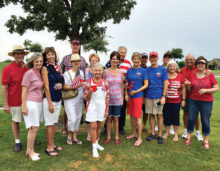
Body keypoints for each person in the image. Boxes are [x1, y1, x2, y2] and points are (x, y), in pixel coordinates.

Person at [184, 56, 218, 149]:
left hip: (206, 101)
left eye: (202, 63)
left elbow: (216, 88)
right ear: (196, 65)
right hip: (193, 100)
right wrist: (188, 85)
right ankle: (188, 137)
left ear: (205, 65)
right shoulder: (193, 74)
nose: (200, 65)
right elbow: (190, 89)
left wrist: (206, 90)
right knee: (191, 118)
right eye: (199, 63)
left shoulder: (209, 74)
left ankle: (206, 140)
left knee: (205, 120)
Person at [1, 45, 29, 152]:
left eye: (21, 53)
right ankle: (17, 142)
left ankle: (31, 137)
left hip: (28, 100)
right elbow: (4, 88)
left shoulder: (27, 68)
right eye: (17, 54)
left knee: (29, 120)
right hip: (14, 101)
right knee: (16, 121)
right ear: (13, 55)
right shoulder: (7, 69)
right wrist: (6, 104)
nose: (20, 55)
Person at [60, 39, 86, 136]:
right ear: (71, 45)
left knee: (77, 111)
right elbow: (61, 71)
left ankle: (74, 130)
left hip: (79, 91)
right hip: (68, 87)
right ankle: (64, 128)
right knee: (67, 110)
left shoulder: (83, 59)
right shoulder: (65, 58)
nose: (76, 47)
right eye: (74, 45)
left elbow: (83, 74)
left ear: (79, 46)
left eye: (77, 45)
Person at [104, 46, 132, 135]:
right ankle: (106, 129)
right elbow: (104, 80)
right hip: (109, 93)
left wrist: (125, 94)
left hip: (121, 91)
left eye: (124, 52)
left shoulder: (128, 64)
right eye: (121, 52)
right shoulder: (108, 65)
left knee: (120, 112)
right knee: (108, 113)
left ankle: (120, 128)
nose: (122, 54)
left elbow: (127, 79)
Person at [41, 48, 64, 156]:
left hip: (58, 98)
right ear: (45, 56)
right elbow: (46, 86)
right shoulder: (45, 68)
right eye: (48, 55)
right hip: (49, 99)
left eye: (52, 54)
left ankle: (52, 144)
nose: (51, 56)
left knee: (54, 123)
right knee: (49, 124)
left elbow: (61, 80)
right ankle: (49, 147)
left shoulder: (57, 66)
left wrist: (61, 85)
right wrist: (49, 102)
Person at [21, 53, 44, 161]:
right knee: (33, 128)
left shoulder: (40, 73)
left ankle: (30, 150)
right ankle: (30, 151)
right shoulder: (29, 73)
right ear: (33, 62)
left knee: (35, 127)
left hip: (38, 102)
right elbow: (24, 91)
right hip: (31, 102)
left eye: (40, 61)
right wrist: (24, 106)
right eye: (37, 61)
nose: (39, 63)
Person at [84, 63, 109, 158]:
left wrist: (107, 110)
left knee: (99, 126)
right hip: (92, 106)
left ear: (102, 71)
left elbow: (107, 97)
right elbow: (86, 98)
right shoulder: (88, 83)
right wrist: (89, 92)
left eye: (99, 70)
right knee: (93, 126)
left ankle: (97, 142)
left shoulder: (105, 83)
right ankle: (94, 148)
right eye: (96, 70)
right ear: (92, 71)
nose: (98, 72)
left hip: (102, 106)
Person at [125, 52, 148, 147]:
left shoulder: (143, 71)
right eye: (134, 59)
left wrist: (137, 91)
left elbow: (146, 84)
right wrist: (126, 94)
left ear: (140, 60)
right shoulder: (129, 70)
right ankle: (134, 133)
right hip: (130, 97)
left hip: (138, 96)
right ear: (132, 59)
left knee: (138, 117)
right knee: (131, 116)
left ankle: (139, 137)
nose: (136, 60)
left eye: (138, 59)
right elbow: (126, 83)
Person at [145, 51, 168, 144]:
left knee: (159, 115)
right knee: (151, 115)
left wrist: (163, 96)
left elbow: (165, 83)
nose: (153, 59)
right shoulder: (147, 70)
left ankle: (160, 135)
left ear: (157, 58)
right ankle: (153, 133)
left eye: (155, 57)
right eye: (151, 57)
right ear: (149, 59)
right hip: (149, 96)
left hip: (159, 96)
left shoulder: (162, 69)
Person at [180, 54, 203, 141]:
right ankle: (186, 130)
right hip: (185, 96)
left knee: (196, 115)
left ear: (194, 60)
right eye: (187, 59)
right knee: (186, 112)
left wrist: (190, 84)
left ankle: (197, 132)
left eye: (191, 59)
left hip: (196, 96)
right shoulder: (182, 70)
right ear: (185, 61)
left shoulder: (197, 69)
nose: (189, 61)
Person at [103, 51, 124, 145]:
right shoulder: (105, 71)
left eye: (117, 59)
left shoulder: (121, 72)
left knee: (116, 119)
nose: (115, 60)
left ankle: (116, 137)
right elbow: (103, 85)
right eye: (113, 59)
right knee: (108, 119)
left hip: (117, 99)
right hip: (107, 100)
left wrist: (122, 98)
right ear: (110, 60)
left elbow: (122, 86)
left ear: (119, 61)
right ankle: (108, 137)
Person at [63, 54, 84, 145]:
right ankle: (69, 135)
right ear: (71, 63)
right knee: (72, 118)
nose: (76, 63)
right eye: (74, 61)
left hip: (80, 97)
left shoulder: (82, 72)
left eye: (78, 61)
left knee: (78, 117)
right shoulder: (67, 73)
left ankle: (75, 136)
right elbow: (64, 86)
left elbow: (82, 84)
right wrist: (74, 86)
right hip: (70, 98)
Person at [163, 60, 186, 141]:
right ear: (167, 67)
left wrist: (183, 100)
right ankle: (166, 132)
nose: (172, 68)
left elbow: (183, 89)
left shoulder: (180, 76)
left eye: (173, 66)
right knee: (167, 117)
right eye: (170, 66)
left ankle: (176, 134)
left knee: (176, 118)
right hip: (166, 101)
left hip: (177, 101)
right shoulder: (165, 75)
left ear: (176, 67)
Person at [85, 53, 100, 141]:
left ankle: (96, 133)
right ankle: (89, 133)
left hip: (98, 96)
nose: (94, 62)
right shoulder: (86, 70)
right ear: (90, 61)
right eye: (93, 60)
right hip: (88, 95)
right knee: (89, 115)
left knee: (97, 115)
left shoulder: (99, 70)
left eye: (96, 60)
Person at [162, 51, 174, 135]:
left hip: (171, 92)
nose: (167, 59)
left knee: (171, 111)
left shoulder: (173, 67)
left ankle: (172, 127)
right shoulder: (160, 67)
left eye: (168, 58)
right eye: (165, 57)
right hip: (162, 92)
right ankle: (159, 124)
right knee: (162, 110)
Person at [140, 53, 148, 132]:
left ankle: (144, 126)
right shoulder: (137, 68)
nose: (144, 60)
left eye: (145, 58)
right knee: (138, 111)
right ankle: (138, 125)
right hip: (138, 94)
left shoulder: (148, 69)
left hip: (146, 94)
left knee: (146, 112)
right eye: (142, 58)